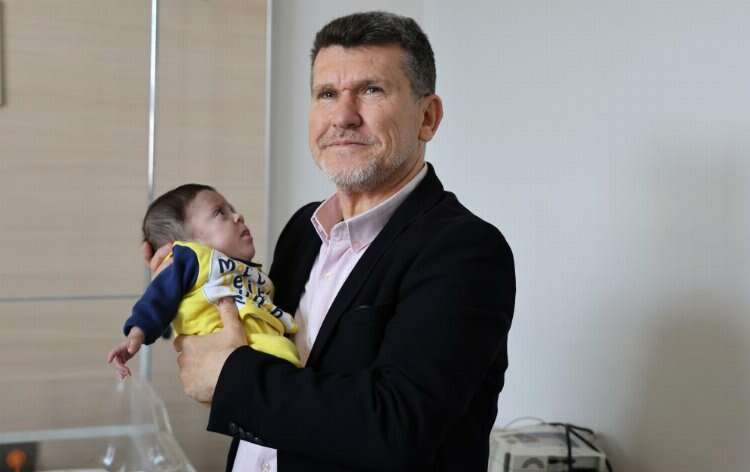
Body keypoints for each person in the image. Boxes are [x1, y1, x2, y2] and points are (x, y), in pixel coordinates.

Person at [151, 11, 515, 471]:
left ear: (427, 117)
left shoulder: (466, 251)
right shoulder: (303, 231)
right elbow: (259, 342)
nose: (343, 116)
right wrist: (184, 287)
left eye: (371, 90)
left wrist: (230, 378)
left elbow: (397, 428)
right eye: (327, 94)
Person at [108, 184, 300, 379]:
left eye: (232, 210)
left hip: (263, 345)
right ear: (186, 244)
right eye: (220, 212)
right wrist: (136, 334)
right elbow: (158, 297)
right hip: (225, 350)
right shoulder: (194, 258)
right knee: (287, 359)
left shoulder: (247, 273)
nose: (238, 216)